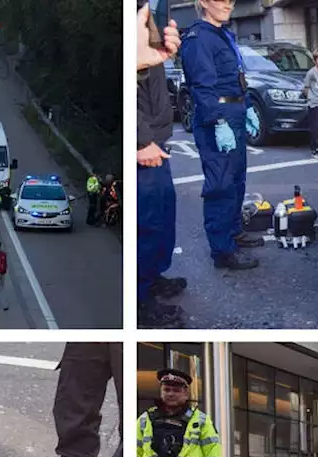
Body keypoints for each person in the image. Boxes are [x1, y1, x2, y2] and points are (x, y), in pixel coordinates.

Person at [179, 0, 261, 272]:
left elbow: (234, 77)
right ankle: (223, 251)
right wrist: (219, 120)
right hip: (219, 117)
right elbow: (202, 87)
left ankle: (234, 233)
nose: (228, 4)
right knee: (220, 185)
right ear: (203, 2)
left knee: (237, 179)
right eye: (221, 0)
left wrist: (246, 107)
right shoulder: (199, 38)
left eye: (231, 1)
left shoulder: (222, 34)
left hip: (234, 109)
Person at [138, 2, 186, 328]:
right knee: (147, 224)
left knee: (164, 215)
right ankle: (141, 302)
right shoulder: (134, 17)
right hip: (145, 144)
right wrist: (140, 140)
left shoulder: (149, 16)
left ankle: (152, 278)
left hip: (159, 138)